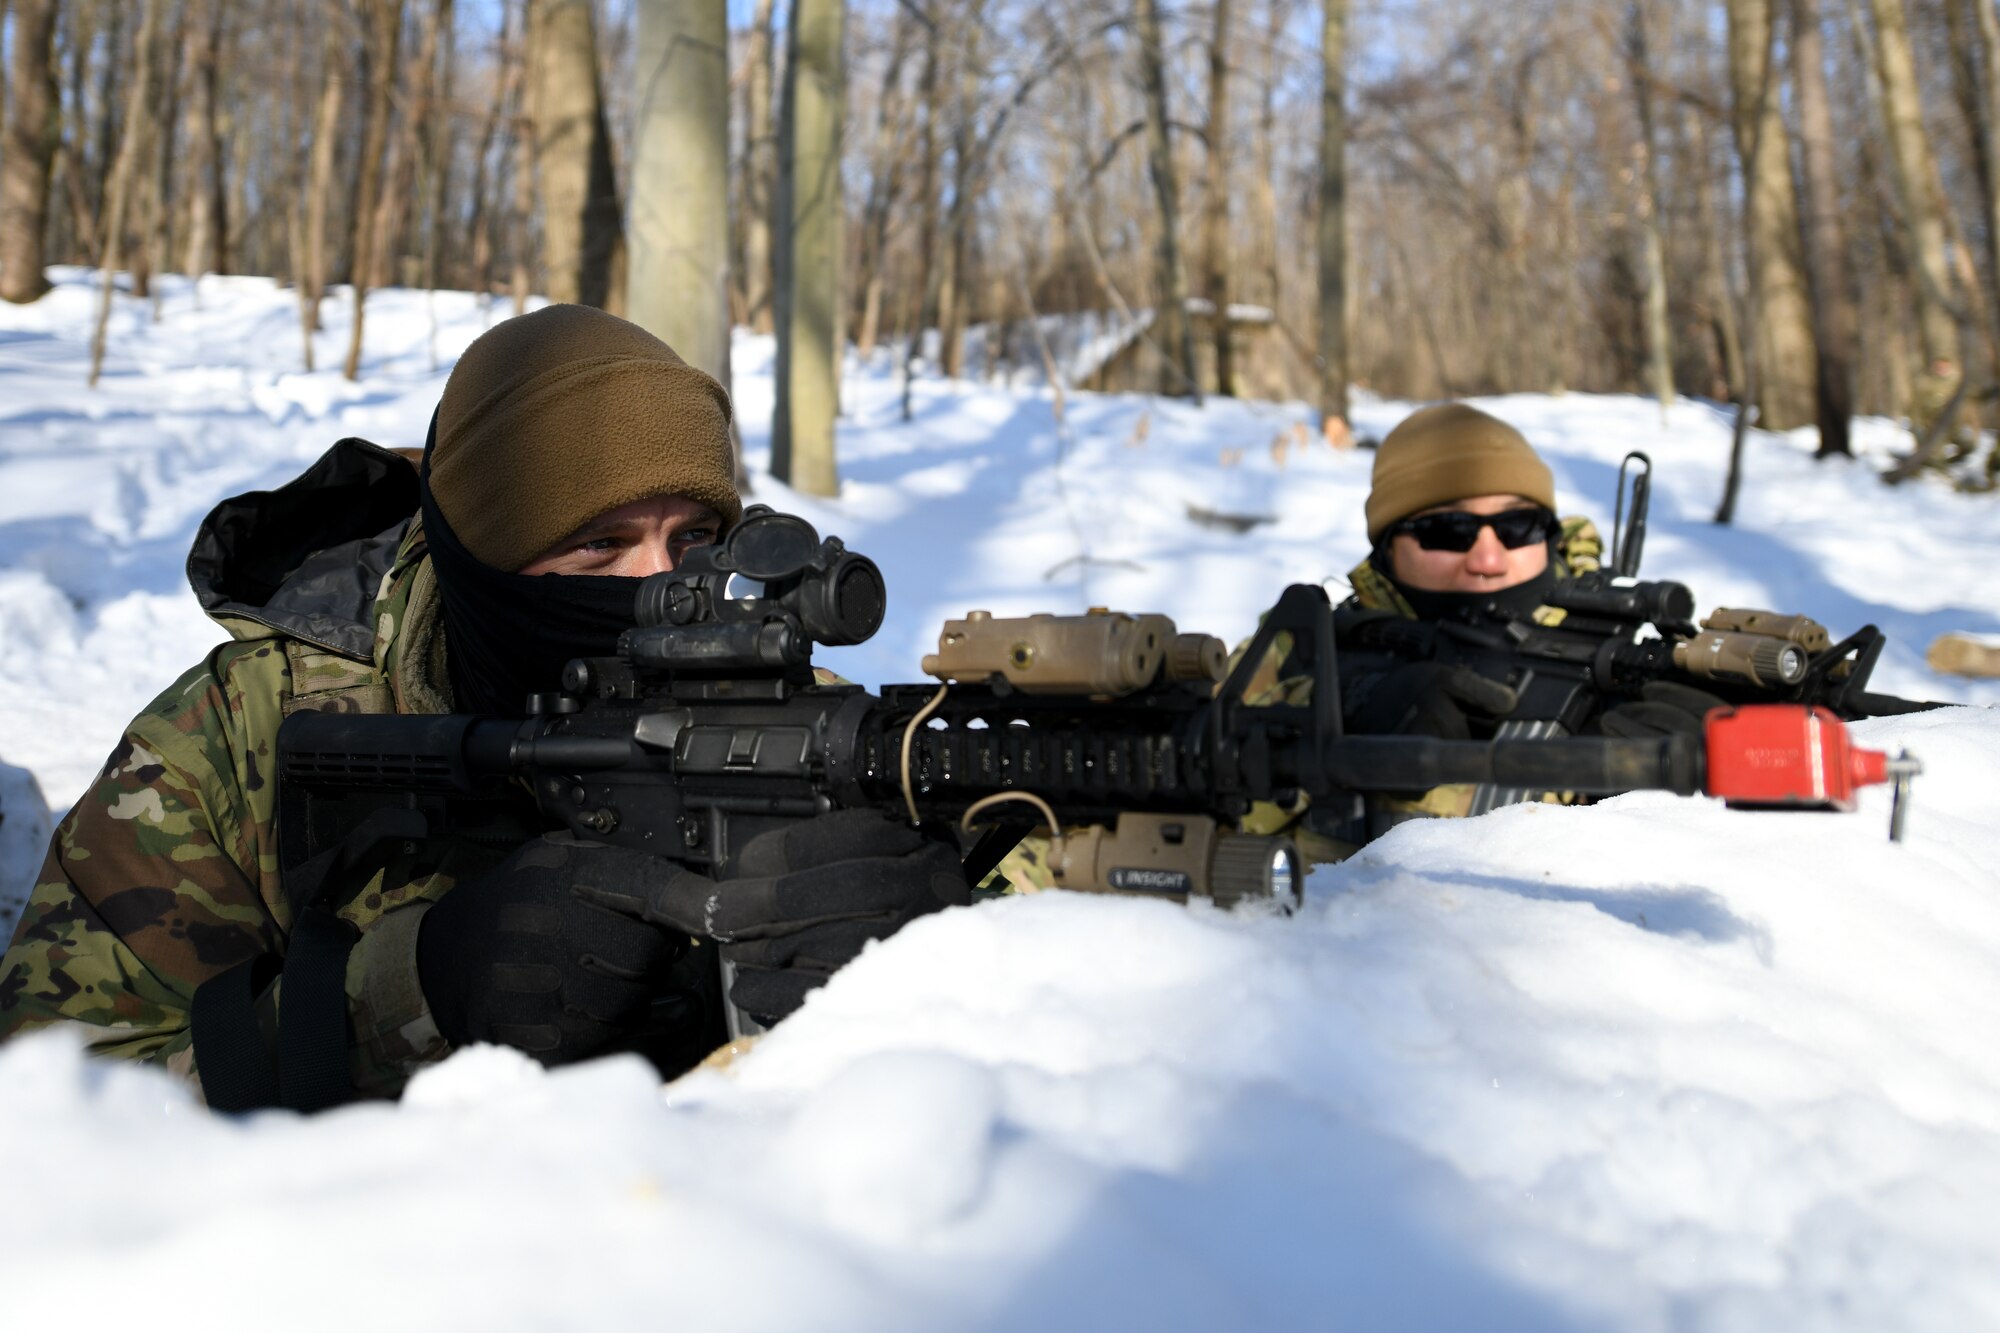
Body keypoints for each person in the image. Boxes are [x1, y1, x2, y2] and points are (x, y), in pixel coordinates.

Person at [0, 305, 968, 1105]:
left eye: (696, 538)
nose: (662, 583)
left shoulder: (817, 736)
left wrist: (949, 944)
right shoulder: (245, 735)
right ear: (477, 556)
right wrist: (411, 996)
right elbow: (59, 1111)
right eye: (598, 545)